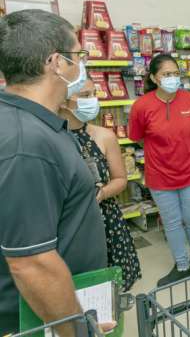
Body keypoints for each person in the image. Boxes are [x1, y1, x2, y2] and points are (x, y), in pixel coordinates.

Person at [0, 10, 111, 335]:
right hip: (40, 318)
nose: (82, 64)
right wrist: (77, 331)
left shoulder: (28, 121)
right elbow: (31, 262)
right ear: (56, 63)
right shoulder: (28, 143)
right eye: (78, 55)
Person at [129, 53, 190, 286]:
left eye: (175, 73)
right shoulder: (142, 106)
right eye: (166, 74)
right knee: (171, 222)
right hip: (160, 175)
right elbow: (137, 137)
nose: (172, 78)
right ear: (154, 77)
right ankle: (182, 265)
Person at [59, 77, 142, 291]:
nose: (92, 101)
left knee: (110, 288)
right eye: (85, 96)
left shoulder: (104, 136)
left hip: (106, 221)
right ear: (62, 101)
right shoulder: (51, 138)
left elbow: (120, 179)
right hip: (68, 225)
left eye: (94, 94)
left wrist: (102, 193)